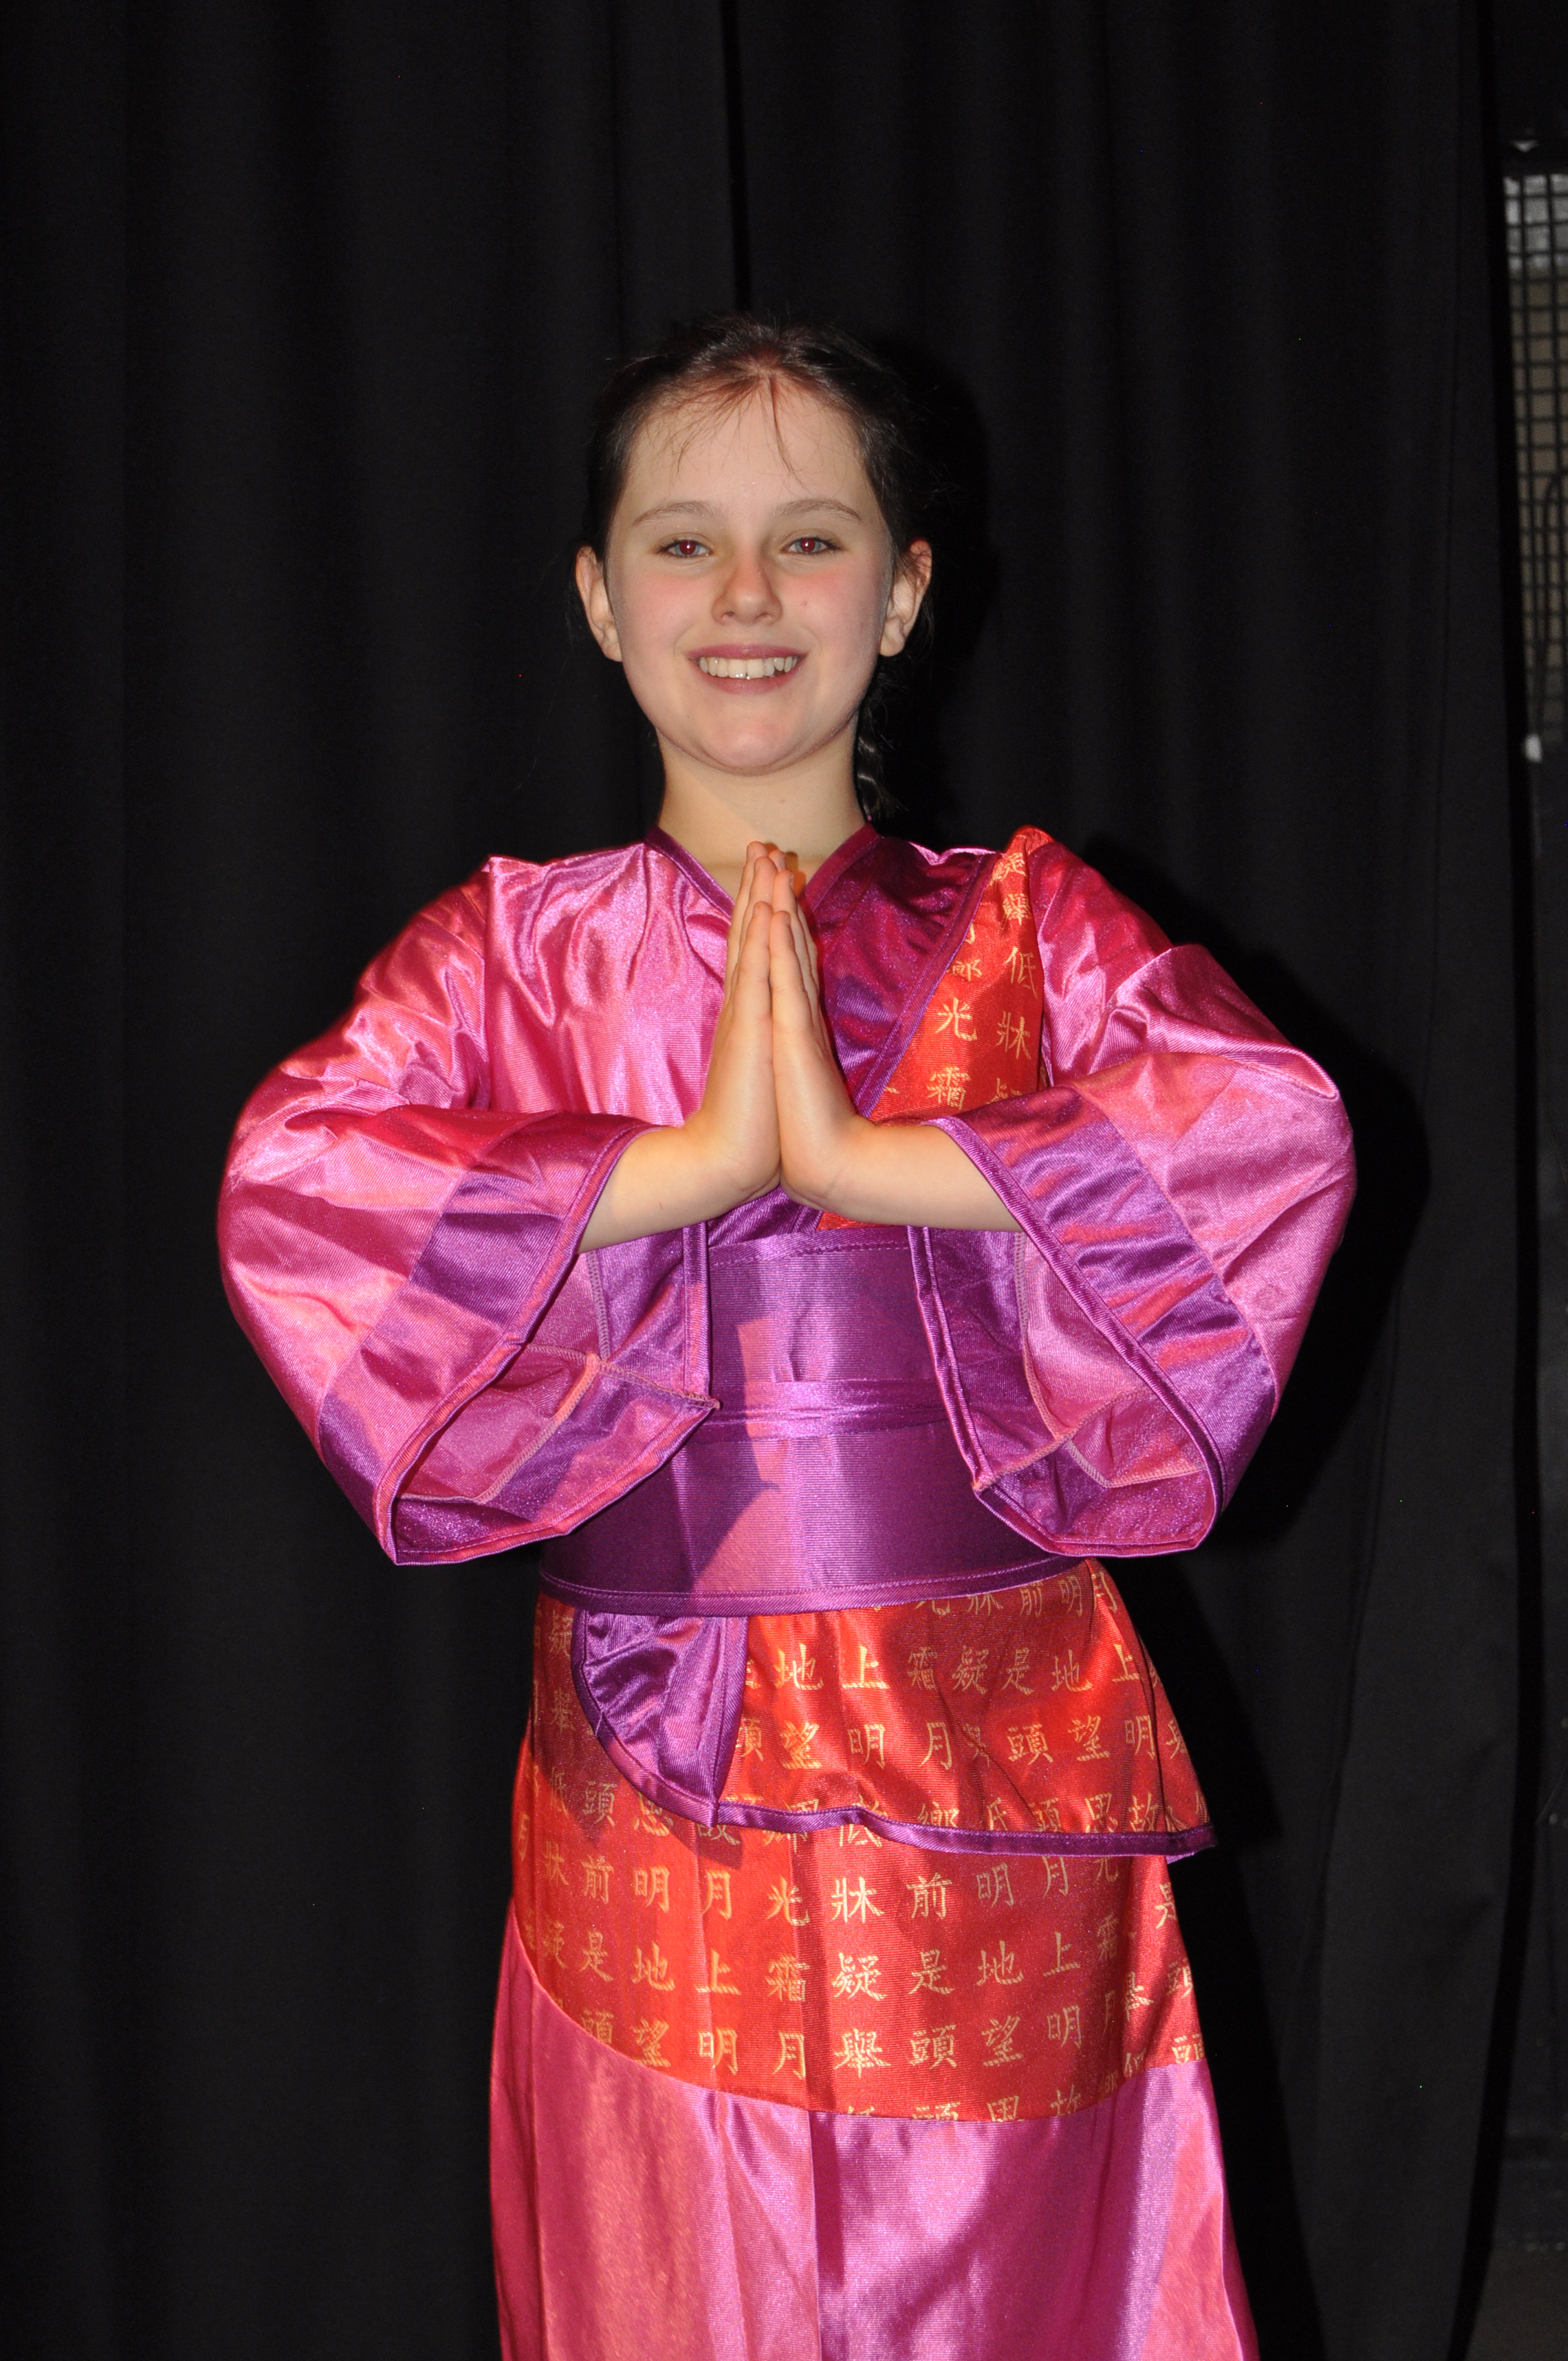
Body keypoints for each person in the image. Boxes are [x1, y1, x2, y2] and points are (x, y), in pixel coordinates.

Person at [219, 314, 1354, 2360]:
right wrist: (683, 1165)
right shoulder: (512, 955)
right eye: (684, 542)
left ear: (903, 593)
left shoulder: (1029, 925)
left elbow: (1263, 1127)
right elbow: (299, 1180)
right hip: (651, 1791)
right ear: (599, 597)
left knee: (1012, 2283)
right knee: (681, 2285)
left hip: (995, 1768)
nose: (746, 595)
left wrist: (865, 1160)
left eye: (812, 538)